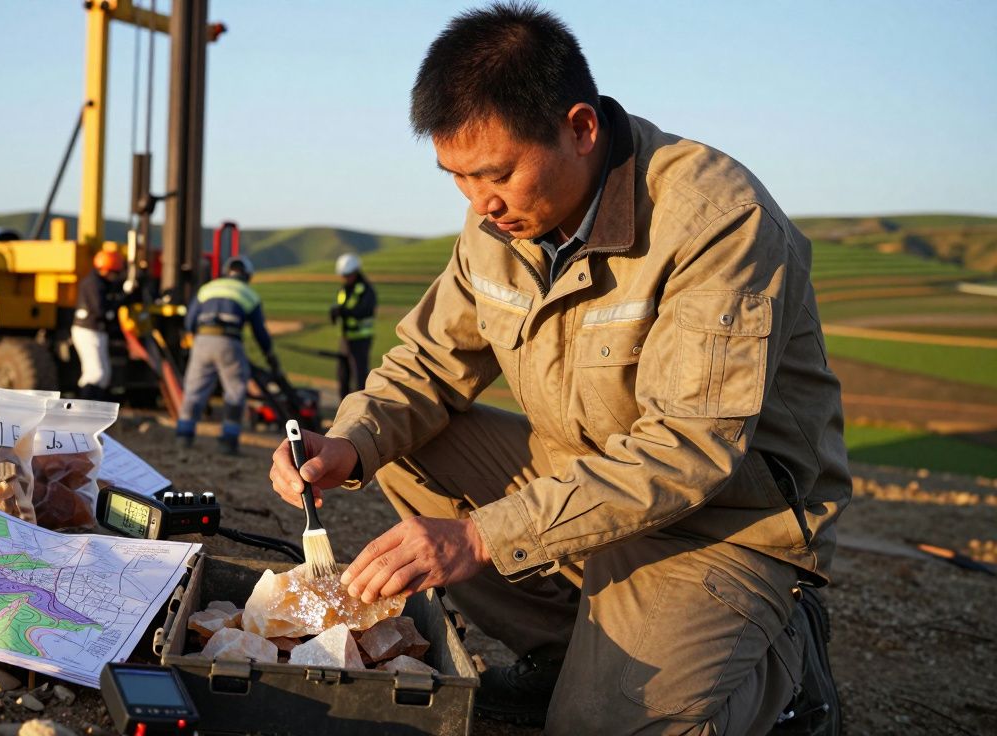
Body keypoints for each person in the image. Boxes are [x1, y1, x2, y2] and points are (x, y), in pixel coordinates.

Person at [268, 4, 849, 734]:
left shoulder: (714, 219)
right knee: (401, 443)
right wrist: (348, 443)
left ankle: (779, 665)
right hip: (580, 486)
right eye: (457, 178)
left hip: (718, 527)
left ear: (580, 128)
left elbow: (688, 452)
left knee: (605, 729)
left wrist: (480, 535)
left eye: (497, 174)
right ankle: (569, 650)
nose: (481, 204)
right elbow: (428, 361)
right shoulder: (497, 224)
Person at [177, 255, 279, 455]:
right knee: (235, 391)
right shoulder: (249, 294)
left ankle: (184, 436)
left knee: (194, 390)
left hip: (202, 341)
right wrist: (269, 355)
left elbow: (189, 322)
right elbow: (260, 332)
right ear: (247, 276)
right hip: (230, 342)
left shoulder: (207, 288)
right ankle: (228, 441)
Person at [71, 249, 123, 400]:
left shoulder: (102, 284)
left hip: (97, 331)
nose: (114, 277)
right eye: (113, 272)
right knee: (94, 373)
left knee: (104, 374)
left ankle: (96, 409)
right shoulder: (93, 284)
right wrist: (117, 302)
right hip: (88, 330)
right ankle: (83, 410)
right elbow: (100, 309)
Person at [330, 253, 378, 399]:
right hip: (345, 340)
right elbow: (342, 308)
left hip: (361, 340)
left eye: (347, 275)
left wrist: (344, 312)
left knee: (359, 378)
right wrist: (335, 312)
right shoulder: (343, 290)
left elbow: (365, 310)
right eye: (343, 275)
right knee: (342, 377)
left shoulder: (366, 290)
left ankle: (362, 412)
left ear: (355, 272)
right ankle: (343, 412)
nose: (345, 278)